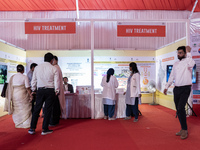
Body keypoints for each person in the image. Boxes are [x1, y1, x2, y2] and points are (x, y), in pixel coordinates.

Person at [163, 46, 195, 140]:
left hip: (186, 88)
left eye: (180, 53)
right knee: (178, 109)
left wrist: (189, 52)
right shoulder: (175, 64)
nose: (178, 54)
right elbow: (172, 76)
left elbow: (191, 64)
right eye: (178, 53)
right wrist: (166, 87)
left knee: (181, 107)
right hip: (176, 89)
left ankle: (185, 129)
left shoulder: (189, 61)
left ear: (185, 53)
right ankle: (182, 128)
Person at [28, 52, 59, 135]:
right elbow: (56, 81)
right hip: (50, 90)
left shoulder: (37, 68)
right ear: (52, 60)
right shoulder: (53, 68)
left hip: (40, 90)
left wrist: (33, 90)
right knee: (48, 110)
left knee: (36, 109)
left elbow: (34, 80)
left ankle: (32, 128)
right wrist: (57, 90)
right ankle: (44, 129)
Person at [50, 56, 67, 125]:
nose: (51, 62)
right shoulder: (57, 67)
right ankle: (55, 120)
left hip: (56, 90)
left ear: (56, 60)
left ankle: (54, 121)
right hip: (57, 89)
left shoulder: (55, 68)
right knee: (56, 105)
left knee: (55, 106)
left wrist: (56, 89)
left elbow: (56, 80)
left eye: (53, 60)